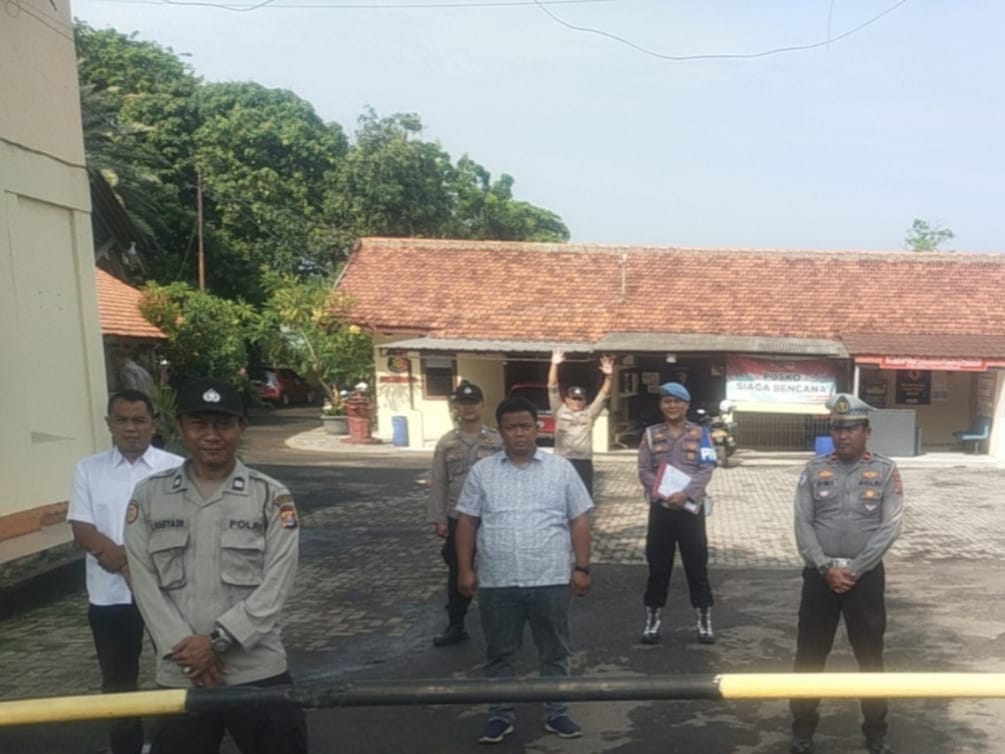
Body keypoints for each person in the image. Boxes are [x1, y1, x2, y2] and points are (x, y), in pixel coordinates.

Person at [124, 378, 307, 754]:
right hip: (182, 672)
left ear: (241, 428)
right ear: (180, 427)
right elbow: (143, 581)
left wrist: (217, 642)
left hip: (257, 670)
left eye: (223, 424)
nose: (211, 435)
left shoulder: (272, 496)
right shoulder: (150, 495)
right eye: (199, 424)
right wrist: (187, 649)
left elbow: (277, 584)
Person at [455, 397, 593, 745]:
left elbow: (579, 520)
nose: (519, 433)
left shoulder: (561, 469)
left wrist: (582, 567)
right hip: (498, 582)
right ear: (500, 431)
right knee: (500, 653)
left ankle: (557, 712)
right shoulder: (482, 472)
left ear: (537, 428)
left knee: (555, 651)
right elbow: (467, 522)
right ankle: (500, 716)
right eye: (511, 427)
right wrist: (465, 569)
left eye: (525, 426)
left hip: (550, 579)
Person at [66, 390, 184, 754]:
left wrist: (139, 568)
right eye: (122, 420)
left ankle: (174, 745)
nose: (131, 428)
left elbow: (186, 528)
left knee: (177, 673)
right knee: (118, 683)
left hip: (169, 595)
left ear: (154, 424)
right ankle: (126, 748)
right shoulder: (88, 469)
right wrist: (126, 563)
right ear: (109, 424)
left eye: (139, 420)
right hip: (110, 596)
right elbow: (82, 528)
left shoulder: (177, 469)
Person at [789, 393, 904, 754]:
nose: (843, 435)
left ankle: (876, 732)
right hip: (819, 577)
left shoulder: (885, 470)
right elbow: (803, 523)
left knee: (870, 657)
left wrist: (852, 569)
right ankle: (802, 730)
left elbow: (890, 527)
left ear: (866, 432)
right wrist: (826, 567)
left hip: (864, 579)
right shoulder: (813, 470)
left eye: (851, 428)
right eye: (837, 428)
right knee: (809, 655)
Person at [637, 381, 718, 645]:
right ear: (661, 405)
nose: (672, 406)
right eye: (667, 401)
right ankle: (652, 620)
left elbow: (706, 468)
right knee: (658, 567)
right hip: (661, 510)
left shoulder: (701, 433)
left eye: (677, 401)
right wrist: (661, 493)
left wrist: (686, 494)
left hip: (690, 510)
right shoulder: (651, 434)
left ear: (687, 405)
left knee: (697, 566)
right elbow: (644, 469)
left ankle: (704, 620)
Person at [426, 381, 503, 647]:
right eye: (463, 403)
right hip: (458, 516)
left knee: (497, 567)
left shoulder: (497, 441)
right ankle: (456, 624)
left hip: (491, 515)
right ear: (456, 408)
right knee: (459, 570)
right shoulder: (447, 442)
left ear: (483, 406)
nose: (468, 408)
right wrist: (438, 518)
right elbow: (439, 481)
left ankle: (502, 623)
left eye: (473, 403)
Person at [547, 348, 614, 494]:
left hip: (583, 463)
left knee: (584, 499)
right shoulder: (559, 410)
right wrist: (554, 364)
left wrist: (609, 376)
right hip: (562, 461)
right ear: (567, 399)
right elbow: (552, 387)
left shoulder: (589, 413)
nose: (576, 402)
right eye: (573, 399)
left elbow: (603, 395)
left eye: (580, 399)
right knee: (560, 496)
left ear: (584, 401)